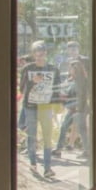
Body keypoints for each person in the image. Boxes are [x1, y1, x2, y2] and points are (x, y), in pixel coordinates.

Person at [20, 40, 60, 178]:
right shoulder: (27, 68)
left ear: (46, 54)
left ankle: (48, 167)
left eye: (42, 53)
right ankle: (33, 163)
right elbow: (22, 89)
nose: (40, 56)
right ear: (33, 54)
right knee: (32, 135)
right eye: (37, 53)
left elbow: (57, 89)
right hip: (30, 106)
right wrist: (32, 82)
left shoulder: (53, 69)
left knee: (47, 136)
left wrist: (56, 105)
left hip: (46, 106)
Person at [56, 53, 90, 159]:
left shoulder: (81, 81)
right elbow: (69, 93)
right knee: (65, 127)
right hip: (72, 108)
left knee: (81, 129)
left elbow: (82, 96)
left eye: (71, 68)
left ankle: (87, 150)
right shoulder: (71, 80)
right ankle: (59, 148)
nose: (70, 70)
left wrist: (75, 105)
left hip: (79, 108)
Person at [54, 41, 83, 157]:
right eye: (70, 49)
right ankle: (65, 146)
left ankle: (69, 146)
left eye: (74, 49)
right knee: (70, 126)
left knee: (81, 128)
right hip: (71, 104)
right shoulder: (66, 66)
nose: (72, 52)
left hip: (79, 104)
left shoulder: (82, 62)